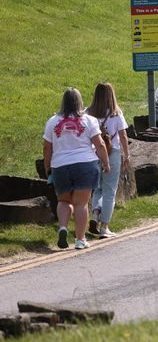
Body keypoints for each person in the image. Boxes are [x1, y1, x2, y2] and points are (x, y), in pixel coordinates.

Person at [43, 87, 108, 250]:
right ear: (80, 102)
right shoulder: (89, 120)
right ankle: (80, 239)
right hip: (85, 164)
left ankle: (63, 227)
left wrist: (47, 168)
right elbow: (99, 144)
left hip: (60, 166)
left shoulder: (52, 122)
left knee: (63, 201)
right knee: (81, 204)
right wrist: (106, 163)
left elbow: (47, 148)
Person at [86, 83, 128, 239]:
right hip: (113, 152)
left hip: (93, 153)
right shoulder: (116, 114)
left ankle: (95, 214)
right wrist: (127, 155)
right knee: (110, 191)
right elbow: (123, 136)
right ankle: (104, 227)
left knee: (97, 189)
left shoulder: (88, 113)